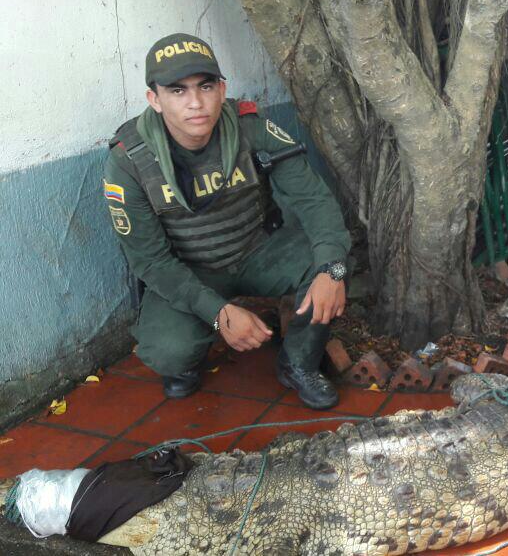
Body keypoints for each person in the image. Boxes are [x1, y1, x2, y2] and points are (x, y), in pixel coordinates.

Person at [102, 33, 351, 408]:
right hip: (190, 268)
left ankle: (299, 362)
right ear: (154, 99)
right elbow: (150, 261)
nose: (196, 103)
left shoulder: (251, 128)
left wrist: (333, 270)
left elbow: (313, 200)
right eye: (178, 91)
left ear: (222, 89)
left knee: (328, 262)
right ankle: (186, 362)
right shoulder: (129, 162)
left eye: (205, 86)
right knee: (168, 351)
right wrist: (217, 315)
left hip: (259, 248)